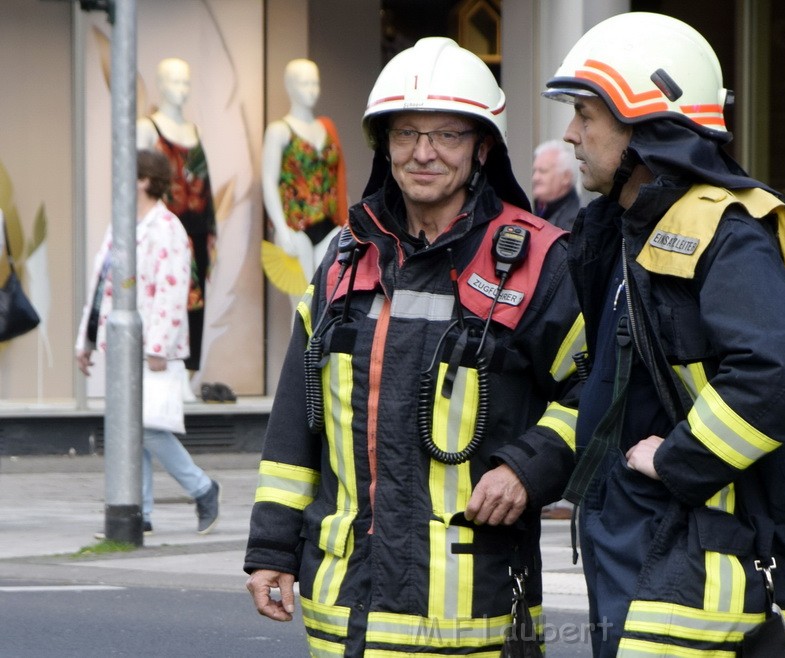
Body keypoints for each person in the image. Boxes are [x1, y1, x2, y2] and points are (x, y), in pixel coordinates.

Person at [543, 12, 785, 656]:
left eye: (586, 114)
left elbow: (770, 380)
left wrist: (675, 460)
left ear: (646, 122)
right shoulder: (616, 232)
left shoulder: (726, 231)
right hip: (636, 542)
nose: (571, 134)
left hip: (691, 562)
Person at [244, 37, 583, 656]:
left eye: (446, 135)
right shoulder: (344, 258)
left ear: (482, 147)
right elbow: (296, 416)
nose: (423, 154)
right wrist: (271, 548)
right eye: (405, 134)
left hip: (474, 614)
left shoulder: (539, 262)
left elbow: (596, 391)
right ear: (385, 146)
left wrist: (527, 467)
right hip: (348, 609)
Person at [76, 149, 221, 536]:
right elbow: (101, 284)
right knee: (131, 430)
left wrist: (157, 346)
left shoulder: (168, 228)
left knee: (146, 426)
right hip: (119, 346)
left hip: (152, 348)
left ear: (144, 180)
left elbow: (173, 290)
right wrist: (86, 340)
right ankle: (138, 511)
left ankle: (202, 488)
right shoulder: (121, 225)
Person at [137, 57, 216, 375]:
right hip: (162, 228)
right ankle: (157, 364)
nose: (181, 89)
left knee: (194, 300)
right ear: (159, 83)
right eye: (173, 81)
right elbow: (132, 178)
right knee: (161, 295)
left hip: (196, 228)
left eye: (185, 82)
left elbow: (204, 184)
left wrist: (212, 232)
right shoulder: (147, 128)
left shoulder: (193, 130)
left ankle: (188, 371)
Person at [261, 58, 349, 284]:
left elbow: (336, 180)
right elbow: (268, 181)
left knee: (326, 297)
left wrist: (349, 222)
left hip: (330, 224)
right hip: (294, 225)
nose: (311, 90)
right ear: (289, 86)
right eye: (304, 83)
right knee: (303, 302)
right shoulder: (279, 130)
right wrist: (280, 228)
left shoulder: (326, 128)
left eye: (315, 83)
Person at [531, 138, 580, 231]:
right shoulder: (536, 209)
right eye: (534, 171)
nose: (535, 178)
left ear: (566, 177)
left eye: (543, 171)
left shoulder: (576, 223)